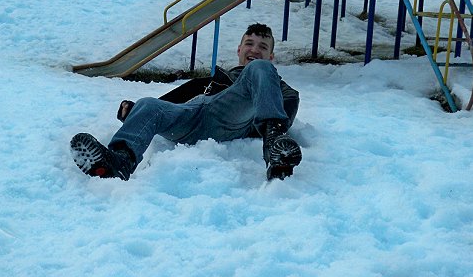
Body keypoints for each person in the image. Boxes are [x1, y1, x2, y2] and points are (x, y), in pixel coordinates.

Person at [70, 23, 302, 181]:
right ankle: (119, 162)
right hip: (193, 117)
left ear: (271, 56)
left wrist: (268, 131)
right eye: (249, 44)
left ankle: (274, 148)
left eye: (263, 47)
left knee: (259, 70)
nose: (254, 49)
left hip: (231, 119)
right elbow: (174, 102)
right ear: (239, 49)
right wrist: (135, 113)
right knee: (150, 103)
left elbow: (289, 103)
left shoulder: (270, 79)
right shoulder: (216, 79)